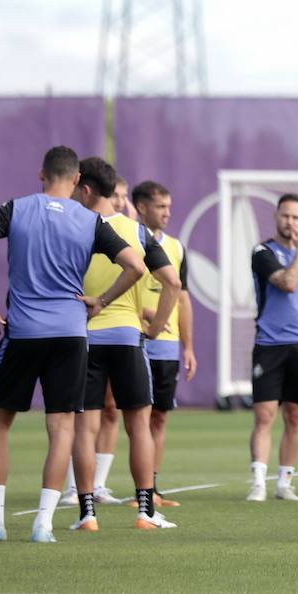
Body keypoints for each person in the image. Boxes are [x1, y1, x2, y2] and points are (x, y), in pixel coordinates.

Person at [0, 146, 150, 543]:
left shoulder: (16, 208)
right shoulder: (91, 221)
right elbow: (136, 266)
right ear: (77, 180)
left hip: (23, 331)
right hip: (72, 335)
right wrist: (102, 300)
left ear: (42, 174)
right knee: (61, 428)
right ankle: (42, 524)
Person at [69, 158, 181, 532]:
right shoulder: (135, 231)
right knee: (139, 427)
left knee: (84, 429)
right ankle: (145, 512)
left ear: (84, 187)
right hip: (127, 338)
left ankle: (87, 515)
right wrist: (160, 326)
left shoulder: (72, 227)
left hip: (83, 339)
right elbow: (173, 284)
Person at [246, 194, 298, 503]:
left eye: (296, 217)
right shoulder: (262, 252)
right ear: (276, 217)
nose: (290, 222)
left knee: (294, 416)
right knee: (265, 414)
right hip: (269, 344)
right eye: (285, 216)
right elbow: (288, 283)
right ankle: (258, 481)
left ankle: (285, 481)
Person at [133, 180, 198, 507]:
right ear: (142, 207)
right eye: (161, 207)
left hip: (167, 345)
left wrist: (187, 346)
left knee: (158, 417)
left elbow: (183, 299)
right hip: (133, 341)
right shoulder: (126, 240)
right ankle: (103, 487)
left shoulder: (175, 247)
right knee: (126, 416)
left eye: (169, 207)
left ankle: (152, 488)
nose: (167, 213)